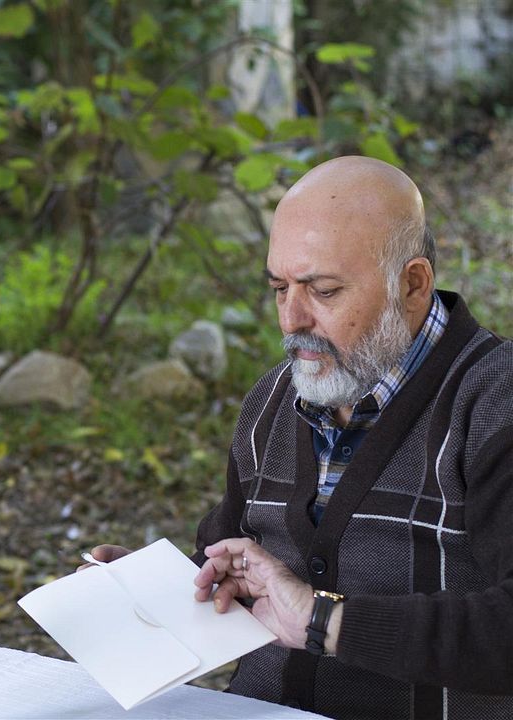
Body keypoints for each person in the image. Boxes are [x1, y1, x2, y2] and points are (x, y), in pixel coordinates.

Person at [93, 156, 513, 718]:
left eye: (324, 290)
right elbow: (231, 569)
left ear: (412, 285)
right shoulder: (274, 397)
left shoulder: (494, 404)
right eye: (279, 287)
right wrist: (156, 592)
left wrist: (324, 622)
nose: (291, 319)